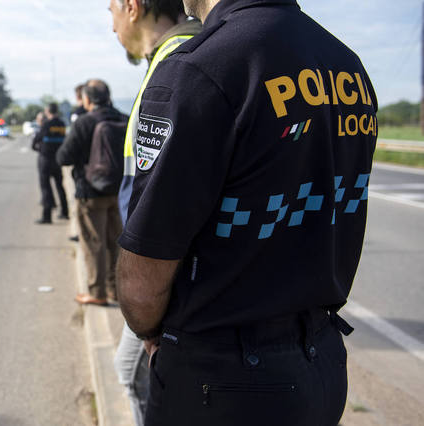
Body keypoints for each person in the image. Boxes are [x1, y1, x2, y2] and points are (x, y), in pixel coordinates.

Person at [116, 0, 376, 424]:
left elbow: (145, 272)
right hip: (322, 364)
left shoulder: (202, 66)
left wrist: (147, 330)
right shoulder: (348, 66)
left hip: (222, 381)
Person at [107, 1, 201, 423]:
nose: (111, 26)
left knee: (130, 374)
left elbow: (165, 203)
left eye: (110, 9)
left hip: (167, 287)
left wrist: (149, 313)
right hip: (168, 284)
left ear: (132, 7)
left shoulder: (180, 63)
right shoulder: (170, 57)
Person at [57, 79, 127, 305]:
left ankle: (97, 293)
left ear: (87, 99)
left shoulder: (84, 122)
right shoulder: (125, 119)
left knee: (93, 243)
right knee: (116, 243)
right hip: (120, 191)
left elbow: (63, 157)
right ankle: (116, 291)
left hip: (90, 192)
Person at [32, 103, 69, 224]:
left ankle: (47, 216)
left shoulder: (46, 124)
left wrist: (39, 148)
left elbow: (35, 141)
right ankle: (65, 211)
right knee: (60, 186)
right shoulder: (62, 124)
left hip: (46, 160)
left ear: (48, 111)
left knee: (46, 187)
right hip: (57, 160)